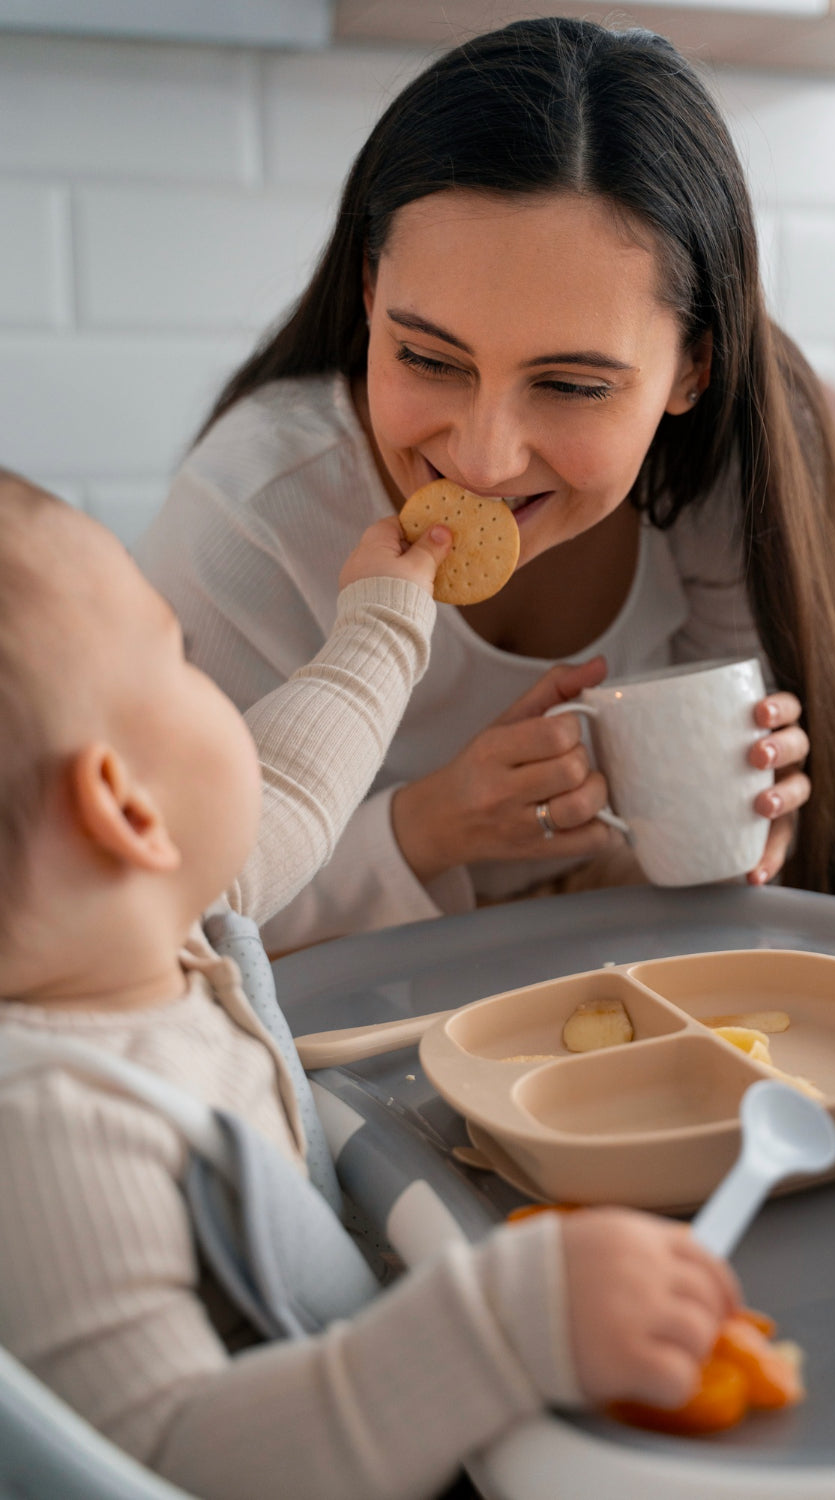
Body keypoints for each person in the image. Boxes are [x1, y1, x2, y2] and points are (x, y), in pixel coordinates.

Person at [0, 474, 741, 1500]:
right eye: (179, 659)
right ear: (125, 809)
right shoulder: (48, 1134)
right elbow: (171, 1463)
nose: (213, 685)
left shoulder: (153, 916)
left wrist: (385, 614)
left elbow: (303, 771)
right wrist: (501, 1327)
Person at [138, 16, 835, 955]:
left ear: (694, 368)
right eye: (427, 357)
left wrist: (746, 827)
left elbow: (715, 869)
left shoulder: (725, 482)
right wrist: (429, 827)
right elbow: (151, 919)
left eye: (571, 386)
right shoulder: (253, 512)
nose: (484, 462)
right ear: (369, 293)